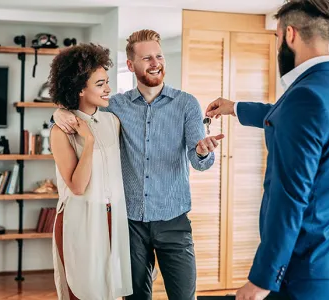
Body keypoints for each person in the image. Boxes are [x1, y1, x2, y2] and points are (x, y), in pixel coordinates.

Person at [205, 0, 329, 299]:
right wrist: (235, 108)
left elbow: (290, 196)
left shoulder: (304, 97)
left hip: (302, 266)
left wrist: (263, 278)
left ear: (289, 34)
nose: (279, 47)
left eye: (277, 38)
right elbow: (292, 119)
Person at [51, 29, 224, 300]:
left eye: (159, 56)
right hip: (130, 224)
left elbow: (199, 163)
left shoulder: (186, 104)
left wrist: (202, 152)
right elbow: (81, 105)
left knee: (184, 296)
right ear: (131, 65)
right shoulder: (114, 107)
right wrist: (58, 111)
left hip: (173, 220)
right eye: (147, 58)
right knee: (135, 297)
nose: (155, 62)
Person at [48, 43, 133, 300]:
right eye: (100, 84)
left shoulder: (113, 121)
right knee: (81, 292)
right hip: (79, 219)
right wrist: (89, 143)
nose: (108, 89)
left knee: (107, 291)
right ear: (80, 88)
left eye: (107, 81)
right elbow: (76, 186)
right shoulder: (61, 131)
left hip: (111, 217)